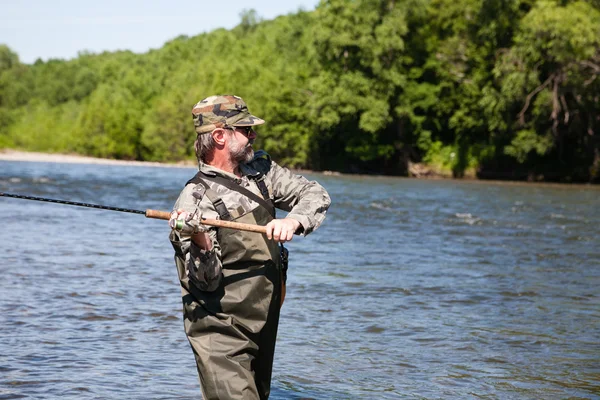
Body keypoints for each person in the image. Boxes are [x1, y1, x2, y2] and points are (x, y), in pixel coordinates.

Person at [169, 95, 331, 400]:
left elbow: (315, 194)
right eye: (245, 128)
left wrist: (293, 221)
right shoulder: (193, 200)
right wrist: (200, 237)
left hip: (263, 322)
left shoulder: (261, 173)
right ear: (219, 136)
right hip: (221, 333)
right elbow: (205, 281)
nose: (253, 135)